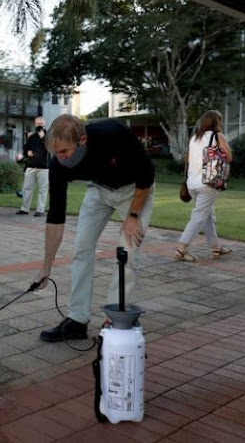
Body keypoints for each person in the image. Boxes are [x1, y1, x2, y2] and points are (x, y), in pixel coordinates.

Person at [35, 115, 155, 342]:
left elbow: (146, 175)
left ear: (82, 140)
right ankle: (77, 320)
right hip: (99, 190)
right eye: (55, 153)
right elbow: (55, 217)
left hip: (134, 190)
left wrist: (133, 216)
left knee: (127, 252)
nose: (60, 159)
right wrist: (46, 267)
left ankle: (115, 320)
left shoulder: (114, 134)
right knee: (81, 246)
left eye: (64, 152)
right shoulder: (58, 164)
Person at [176, 110, 233, 262]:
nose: (220, 123)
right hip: (208, 183)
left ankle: (216, 248)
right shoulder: (217, 136)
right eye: (219, 120)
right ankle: (181, 249)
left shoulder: (194, 138)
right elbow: (229, 156)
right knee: (199, 217)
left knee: (208, 217)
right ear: (215, 122)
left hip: (192, 183)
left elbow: (188, 158)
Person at [16, 117, 50, 217]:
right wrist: (26, 153)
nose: (39, 126)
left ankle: (40, 210)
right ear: (35, 124)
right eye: (38, 124)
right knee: (27, 188)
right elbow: (25, 150)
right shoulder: (32, 137)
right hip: (31, 166)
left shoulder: (49, 136)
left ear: (44, 125)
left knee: (42, 189)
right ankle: (24, 208)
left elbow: (51, 149)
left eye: (41, 124)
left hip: (43, 168)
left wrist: (44, 138)